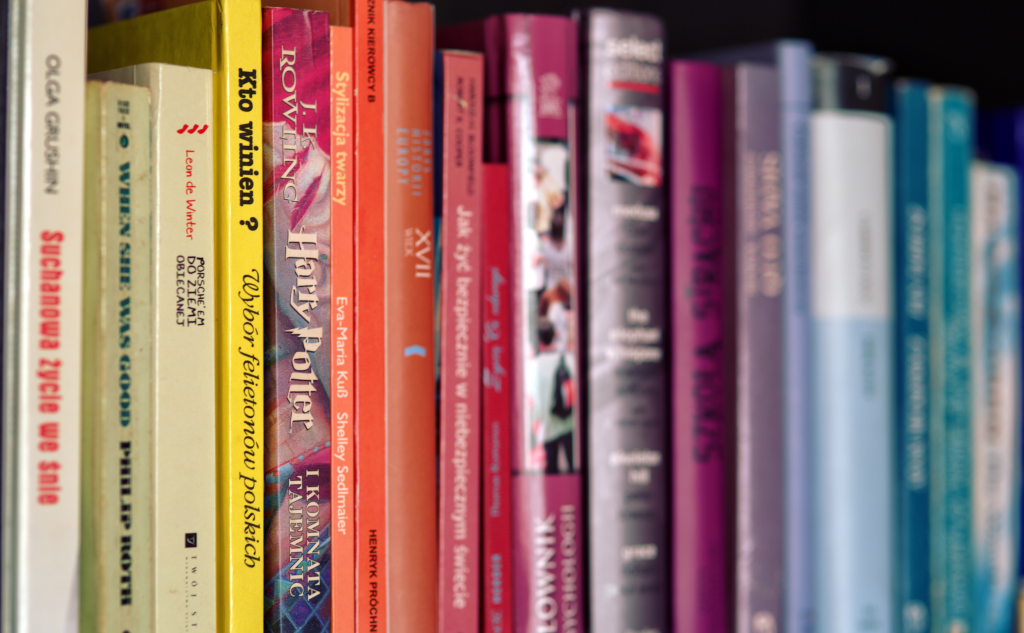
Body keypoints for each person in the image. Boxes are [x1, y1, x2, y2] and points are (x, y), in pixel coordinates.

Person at [529, 318, 575, 474]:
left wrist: (535, 422)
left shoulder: (535, 366)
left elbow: (535, 403)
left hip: (549, 428)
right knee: (573, 468)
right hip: (570, 423)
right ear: (555, 335)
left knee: (552, 473)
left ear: (539, 340)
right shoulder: (568, 359)